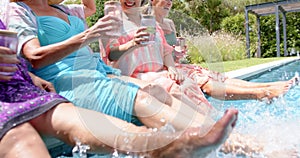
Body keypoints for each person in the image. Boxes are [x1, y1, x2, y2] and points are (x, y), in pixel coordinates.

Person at [7, 0, 224, 138]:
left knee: (158, 92)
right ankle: (213, 140)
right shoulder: (18, 10)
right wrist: (88, 36)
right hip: (66, 79)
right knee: (144, 100)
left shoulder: (63, 7)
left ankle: (216, 131)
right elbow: (34, 57)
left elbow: (90, 7)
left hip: (101, 72)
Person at [0, 43, 239, 157]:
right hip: (6, 104)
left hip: (18, 87)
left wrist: (30, 76)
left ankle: (164, 147)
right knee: (20, 136)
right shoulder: (17, 10)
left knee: (74, 119)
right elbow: (35, 55)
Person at [145, 0, 295, 102]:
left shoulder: (170, 23)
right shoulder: (147, 21)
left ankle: (270, 86)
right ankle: (263, 94)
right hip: (166, 69)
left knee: (222, 78)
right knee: (209, 84)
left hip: (177, 65)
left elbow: (172, 52)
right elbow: (149, 51)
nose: (169, 2)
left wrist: (178, 51)